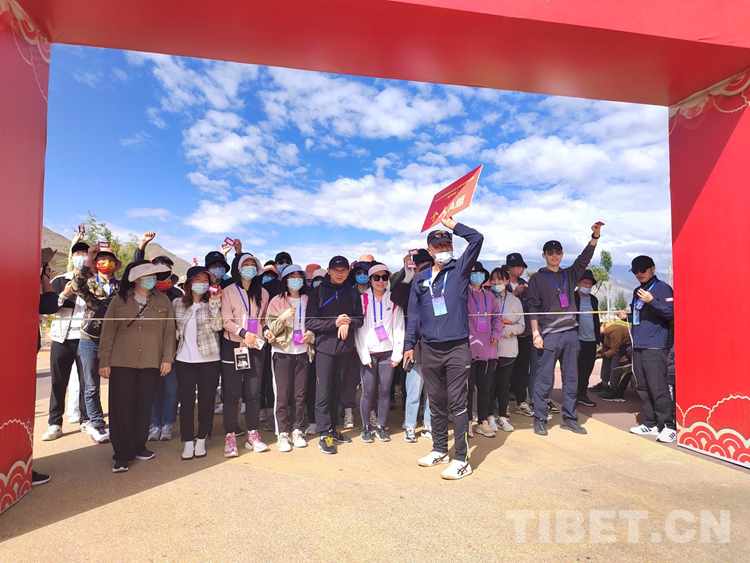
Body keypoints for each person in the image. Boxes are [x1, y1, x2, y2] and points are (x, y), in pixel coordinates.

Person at [404, 216, 483, 480]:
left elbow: (477, 239)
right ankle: (439, 449)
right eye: (439, 246)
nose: (444, 249)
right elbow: (414, 316)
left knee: (457, 403)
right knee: (436, 402)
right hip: (429, 349)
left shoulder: (459, 270)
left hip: (457, 348)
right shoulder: (420, 280)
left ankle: (462, 459)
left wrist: (453, 226)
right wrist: (409, 345)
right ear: (430, 251)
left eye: (447, 244)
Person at [98, 260, 176, 473]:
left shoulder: (163, 300)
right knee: (122, 407)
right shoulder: (119, 300)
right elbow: (108, 332)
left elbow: (169, 331)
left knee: (144, 406)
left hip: (151, 361)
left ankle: (139, 445)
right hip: (121, 360)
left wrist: (167, 358)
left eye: (153, 275)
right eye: (148, 275)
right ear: (136, 278)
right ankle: (121, 454)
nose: (152, 279)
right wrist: (104, 360)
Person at [526, 223, 602, 437]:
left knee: (571, 378)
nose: (554, 255)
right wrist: (535, 333)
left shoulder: (570, 274)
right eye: (550, 252)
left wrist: (594, 237)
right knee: (545, 379)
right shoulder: (537, 278)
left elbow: (584, 259)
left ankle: (569, 418)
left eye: (558, 252)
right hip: (549, 335)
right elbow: (532, 307)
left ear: (562, 254)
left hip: (570, 334)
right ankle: (540, 418)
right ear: (544, 255)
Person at [306, 256, 364, 455]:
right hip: (324, 349)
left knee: (337, 391)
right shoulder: (318, 292)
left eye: (343, 270)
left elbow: (360, 319)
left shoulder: (352, 292)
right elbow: (310, 322)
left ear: (348, 272)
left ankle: (333, 428)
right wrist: (335, 323)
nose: (340, 274)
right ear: (329, 271)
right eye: (336, 270)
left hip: (345, 349)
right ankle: (324, 434)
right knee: (323, 392)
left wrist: (348, 322)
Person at [617, 255, 676, 443]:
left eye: (643, 270)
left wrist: (652, 301)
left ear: (652, 268)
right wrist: (626, 316)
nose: (639, 273)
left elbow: (671, 313)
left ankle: (668, 425)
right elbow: (639, 317)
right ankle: (651, 422)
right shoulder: (638, 291)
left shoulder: (663, 288)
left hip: (655, 345)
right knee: (641, 385)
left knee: (657, 386)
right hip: (638, 345)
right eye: (635, 271)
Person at [133, 233, 184, 442]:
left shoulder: (178, 295)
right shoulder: (143, 292)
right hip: (148, 349)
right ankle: (155, 424)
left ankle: (168, 423)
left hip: (172, 349)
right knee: (153, 389)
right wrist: (142, 246)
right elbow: (134, 269)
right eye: (158, 272)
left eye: (166, 273)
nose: (162, 277)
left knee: (172, 388)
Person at [71, 242, 122, 444]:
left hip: (115, 341)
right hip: (90, 339)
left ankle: (119, 422)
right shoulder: (89, 282)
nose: (106, 262)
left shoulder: (122, 286)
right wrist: (89, 258)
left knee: (118, 383)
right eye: (101, 259)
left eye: (110, 259)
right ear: (95, 263)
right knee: (91, 385)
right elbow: (76, 286)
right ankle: (97, 424)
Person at [220, 250, 270, 456]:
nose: (250, 268)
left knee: (253, 393)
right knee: (232, 393)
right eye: (246, 264)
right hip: (234, 345)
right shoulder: (228, 291)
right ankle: (230, 436)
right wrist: (243, 333)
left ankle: (252, 434)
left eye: (253, 265)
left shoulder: (263, 293)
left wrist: (266, 331)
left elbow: (263, 319)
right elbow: (224, 320)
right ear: (238, 268)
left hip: (255, 346)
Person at [172, 266, 224, 460]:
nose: (201, 284)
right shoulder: (177, 303)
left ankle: (201, 439)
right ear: (189, 283)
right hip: (184, 359)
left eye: (205, 281)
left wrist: (214, 302)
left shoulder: (212, 303)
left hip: (210, 359)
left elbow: (218, 326)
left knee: (206, 402)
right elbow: (172, 329)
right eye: (197, 280)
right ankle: (187, 441)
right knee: (186, 403)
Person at [42, 240, 90, 441]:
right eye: (78, 253)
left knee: (87, 382)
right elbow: (49, 308)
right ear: (71, 257)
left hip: (86, 340)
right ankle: (55, 423)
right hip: (61, 339)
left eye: (85, 254)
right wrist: (64, 294)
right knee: (58, 382)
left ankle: (86, 420)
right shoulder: (59, 280)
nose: (82, 257)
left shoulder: (94, 281)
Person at [265, 265, 315, 452]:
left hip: (302, 352)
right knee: (282, 394)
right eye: (292, 276)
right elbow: (270, 328)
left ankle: (296, 430)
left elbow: (313, 324)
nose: (296, 280)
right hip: (282, 352)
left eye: (299, 276)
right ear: (285, 280)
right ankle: (282, 433)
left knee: (299, 395)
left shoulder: (307, 299)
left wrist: (310, 336)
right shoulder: (276, 301)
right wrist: (282, 318)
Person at [355, 264, 405, 443]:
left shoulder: (393, 299)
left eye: (384, 277)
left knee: (384, 391)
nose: (381, 281)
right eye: (377, 277)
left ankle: (381, 426)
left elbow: (399, 326)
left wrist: (397, 353)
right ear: (370, 280)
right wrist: (364, 354)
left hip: (387, 353)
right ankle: (366, 427)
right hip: (369, 352)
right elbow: (359, 330)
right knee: (368, 390)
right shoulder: (363, 299)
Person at [392, 249, 434, 443]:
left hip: (435, 344)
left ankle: (428, 425)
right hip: (414, 345)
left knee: (433, 391)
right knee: (413, 388)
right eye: (420, 265)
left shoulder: (439, 283)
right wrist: (408, 277)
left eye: (428, 264)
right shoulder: (410, 285)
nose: (424, 268)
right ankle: (410, 424)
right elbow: (396, 298)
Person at [467, 261, 502, 438]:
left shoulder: (489, 296)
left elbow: (497, 318)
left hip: (488, 349)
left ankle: (482, 421)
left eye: (481, 273)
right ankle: (467, 422)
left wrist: (496, 333)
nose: (478, 276)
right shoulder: (462, 294)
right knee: (467, 389)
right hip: (468, 349)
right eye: (474, 272)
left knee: (485, 388)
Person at [489, 267, 525, 433]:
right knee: (489, 385)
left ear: (506, 281)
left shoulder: (515, 301)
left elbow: (521, 326)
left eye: (500, 279)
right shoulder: (487, 298)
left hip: (508, 350)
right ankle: (489, 417)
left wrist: (507, 330)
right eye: (493, 279)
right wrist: (498, 328)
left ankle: (502, 417)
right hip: (489, 349)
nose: (496, 282)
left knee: (504, 386)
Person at [505, 253, 539, 417]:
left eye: (521, 266)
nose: (519, 269)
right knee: (504, 369)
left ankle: (521, 400)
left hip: (523, 334)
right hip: (505, 334)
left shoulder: (526, 285)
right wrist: (514, 294)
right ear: (509, 268)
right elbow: (498, 305)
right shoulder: (500, 284)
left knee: (523, 368)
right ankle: (501, 400)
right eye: (516, 266)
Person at [303, 268, 328, 435]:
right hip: (307, 349)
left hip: (325, 347)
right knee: (311, 385)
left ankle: (326, 421)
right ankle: (312, 421)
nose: (318, 283)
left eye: (321, 279)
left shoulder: (330, 297)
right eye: (315, 280)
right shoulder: (307, 298)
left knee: (325, 387)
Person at [574, 270, 601, 408]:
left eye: (590, 284)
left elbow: (596, 318)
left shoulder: (594, 299)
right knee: (575, 369)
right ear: (578, 283)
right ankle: (571, 395)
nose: (587, 286)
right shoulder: (572, 297)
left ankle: (582, 394)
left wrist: (598, 337)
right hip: (576, 339)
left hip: (591, 340)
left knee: (587, 368)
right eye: (585, 283)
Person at [595, 322, 632, 402]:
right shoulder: (605, 331)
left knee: (615, 358)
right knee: (606, 356)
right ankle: (604, 384)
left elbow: (615, 351)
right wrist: (598, 353)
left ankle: (613, 388)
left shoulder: (612, 330)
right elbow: (606, 348)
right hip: (622, 347)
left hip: (628, 347)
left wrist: (599, 356)